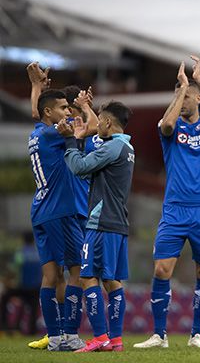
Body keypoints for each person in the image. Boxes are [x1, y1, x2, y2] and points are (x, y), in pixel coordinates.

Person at [133, 59, 200, 349]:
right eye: (179, 96)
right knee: (162, 269)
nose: (183, 100)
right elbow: (167, 124)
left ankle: (196, 334)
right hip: (175, 209)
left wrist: (198, 83)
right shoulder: (170, 131)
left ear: (199, 98)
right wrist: (181, 89)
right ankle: (159, 335)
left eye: (187, 96)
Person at [57, 100, 134, 352]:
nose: (96, 124)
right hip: (118, 222)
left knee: (88, 276)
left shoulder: (112, 148)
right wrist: (80, 141)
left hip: (100, 222)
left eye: (99, 120)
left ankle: (101, 336)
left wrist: (70, 141)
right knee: (112, 281)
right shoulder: (127, 147)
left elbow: (79, 168)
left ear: (109, 123)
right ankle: (117, 339)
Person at [27, 82, 86, 351]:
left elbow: (39, 111)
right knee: (77, 271)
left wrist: (36, 87)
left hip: (40, 209)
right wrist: (83, 106)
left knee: (50, 276)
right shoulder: (54, 133)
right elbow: (92, 128)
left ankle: (54, 337)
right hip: (60, 211)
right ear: (49, 112)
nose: (67, 112)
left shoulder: (37, 133)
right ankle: (71, 335)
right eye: (63, 108)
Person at [0, 233, 41, 335]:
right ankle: (32, 331)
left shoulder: (20, 253)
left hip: (21, 287)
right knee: (33, 308)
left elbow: (13, 269)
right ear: (33, 240)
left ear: (23, 240)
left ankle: (5, 325)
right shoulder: (38, 253)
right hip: (35, 287)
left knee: (5, 299)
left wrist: (8, 282)